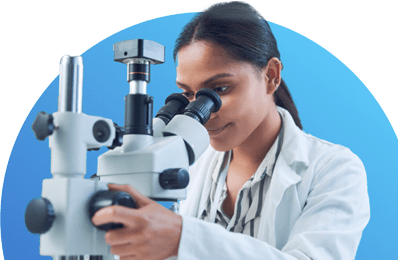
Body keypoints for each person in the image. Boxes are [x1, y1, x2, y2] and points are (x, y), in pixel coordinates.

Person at [92, 2, 370, 259]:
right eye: (188, 95)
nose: (204, 112)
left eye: (220, 90)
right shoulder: (195, 163)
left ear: (271, 75)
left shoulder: (336, 169)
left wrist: (182, 238)